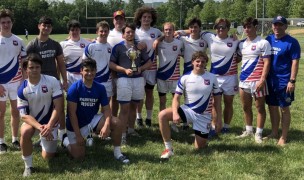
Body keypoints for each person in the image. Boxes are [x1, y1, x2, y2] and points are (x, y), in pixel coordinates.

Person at [62, 58, 129, 163]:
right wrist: (78, 135)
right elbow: (71, 114)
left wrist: (106, 125)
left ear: (96, 71)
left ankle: (117, 153)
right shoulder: (74, 88)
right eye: (87, 70)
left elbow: (107, 110)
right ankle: (65, 141)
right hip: (75, 125)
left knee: (116, 122)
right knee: (79, 156)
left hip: (91, 120)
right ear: (81, 71)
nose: (89, 73)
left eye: (92, 70)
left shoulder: (100, 88)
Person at [158, 51, 221, 159]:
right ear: (192, 62)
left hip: (203, 115)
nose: (200, 64)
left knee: (200, 148)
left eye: (203, 61)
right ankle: (168, 149)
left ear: (206, 63)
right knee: (162, 115)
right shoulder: (185, 77)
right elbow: (176, 98)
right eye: (197, 61)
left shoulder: (212, 77)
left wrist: (218, 119)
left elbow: (218, 101)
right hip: (188, 111)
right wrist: (175, 113)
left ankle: (201, 137)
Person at [18, 53, 63, 177]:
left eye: (37, 67)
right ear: (26, 69)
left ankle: (43, 142)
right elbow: (24, 116)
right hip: (33, 123)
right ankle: (28, 166)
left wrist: (49, 126)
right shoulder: (22, 89)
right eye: (31, 67)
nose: (34, 70)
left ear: (41, 68)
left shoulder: (52, 81)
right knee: (25, 131)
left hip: (51, 123)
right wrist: (41, 128)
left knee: (48, 157)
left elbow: (58, 106)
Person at [110, 23, 152, 145]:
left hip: (138, 80)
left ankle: (131, 130)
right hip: (123, 79)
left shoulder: (139, 48)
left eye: (132, 32)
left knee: (134, 106)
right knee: (124, 108)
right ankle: (122, 134)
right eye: (127, 32)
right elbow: (111, 64)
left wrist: (141, 68)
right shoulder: (118, 47)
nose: (130, 34)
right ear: (123, 35)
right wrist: (123, 70)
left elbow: (149, 62)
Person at [26, 16, 67, 141]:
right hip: (38, 82)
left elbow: (61, 63)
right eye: (44, 25)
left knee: (59, 107)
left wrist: (64, 80)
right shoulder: (32, 45)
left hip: (53, 81)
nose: (46, 28)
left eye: (49, 26)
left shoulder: (55, 44)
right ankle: (43, 133)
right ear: (39, 26)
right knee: (42, 109)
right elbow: (26, 65)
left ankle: (62, 133)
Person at [265, 16, 301, 146]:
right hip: (270, 81)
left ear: (285, 27)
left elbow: (295, 62)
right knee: (272, 107)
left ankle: (284, 137)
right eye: (275, 24)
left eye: (280, 25)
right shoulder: (268, 39)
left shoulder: (292, 42)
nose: (277, 27)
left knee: (284, 108)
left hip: (284, 82)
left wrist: (292, 80)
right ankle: (274, 132)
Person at [201, 18, 239, 136]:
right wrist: (179, 32)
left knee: (228, 102)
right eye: (218, 27)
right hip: (214, 77)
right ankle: (214, 125)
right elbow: (194, 30)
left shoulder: (235, 41)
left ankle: (226, 127)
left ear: (228, 28)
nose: (220, 29)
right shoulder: (209, 37)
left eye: (223, 27)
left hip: (230, 77)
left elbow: (240, 56)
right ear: (215, 28)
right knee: (213, 103)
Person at [236, 17, 271, 143]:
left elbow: (267, 62)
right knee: (246, 107)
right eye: (245, 27)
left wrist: (262, 79)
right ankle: (249, 130)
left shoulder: (263, 43)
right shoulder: (241, 44)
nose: (247, 29)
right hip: (244, 81)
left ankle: (259, 133)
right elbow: (238, 59)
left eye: (249, 26)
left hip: (257, 81)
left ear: (256, 27)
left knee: (260, 107)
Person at [0, 9, 27, 153]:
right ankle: (1, 142)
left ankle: (15, 139)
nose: (6, 25)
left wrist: (24, 81)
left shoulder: (19, 41)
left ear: (12, 23)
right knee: (1, 112)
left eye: (8, 22)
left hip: (16, 82)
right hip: (1, 84)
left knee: (16, 113)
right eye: (3, 22)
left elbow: (24, 63)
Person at [134, 6, 162, 128]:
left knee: (149, 93)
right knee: (139, 93)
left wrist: (158, 40)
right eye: (144, 17)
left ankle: (149, 118)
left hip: (152, 68)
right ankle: (138, 117)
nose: (146, 19)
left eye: (149, 17)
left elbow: (165, 35)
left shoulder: (156, 32)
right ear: (140, 18)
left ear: (152, 19)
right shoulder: (135, 32)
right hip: (139, 67)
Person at [156, 22, 182, 111]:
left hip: (175, 77)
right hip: (161, 77)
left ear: (173, 31)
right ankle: (163, 122)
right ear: (163, 31)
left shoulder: (179, 43)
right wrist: (158, 39)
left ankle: (175, 122)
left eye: (170, 29)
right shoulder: (159, 43)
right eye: (166, 29)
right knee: (162, 101)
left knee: (175, 100)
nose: (168, 31)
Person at [83, 21, 113, 100]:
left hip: (107, 81)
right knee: (92, 105)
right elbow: (84, 63)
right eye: (101, 31)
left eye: (106, 31)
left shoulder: (110, 47)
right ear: (97, 32)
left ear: (108, 32)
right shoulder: (91, 46)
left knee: (105, 106)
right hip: (93, 80)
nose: (103, 33)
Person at [60, 20, 90, 88]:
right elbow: (60, 63)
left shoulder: (87, 44)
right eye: (72, 30)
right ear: (69, 31)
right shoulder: (63, 44)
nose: (75, 32)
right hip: (69, 76)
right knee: (70, 97)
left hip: (83, 76)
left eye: (77, 30)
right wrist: (63, 80)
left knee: (82, 97)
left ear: (80, 30)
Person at [108, 10, 126, 117]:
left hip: (126, 71)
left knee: (126, 99)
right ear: (113, 20)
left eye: (121, 18)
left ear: (124, 20)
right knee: (113, 98)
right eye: (117, 19)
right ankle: (114, 119)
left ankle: (126, 123)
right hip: (112, 71)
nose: (119, 21)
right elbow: (95, 40)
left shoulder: (129, 32)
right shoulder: (108, 33)